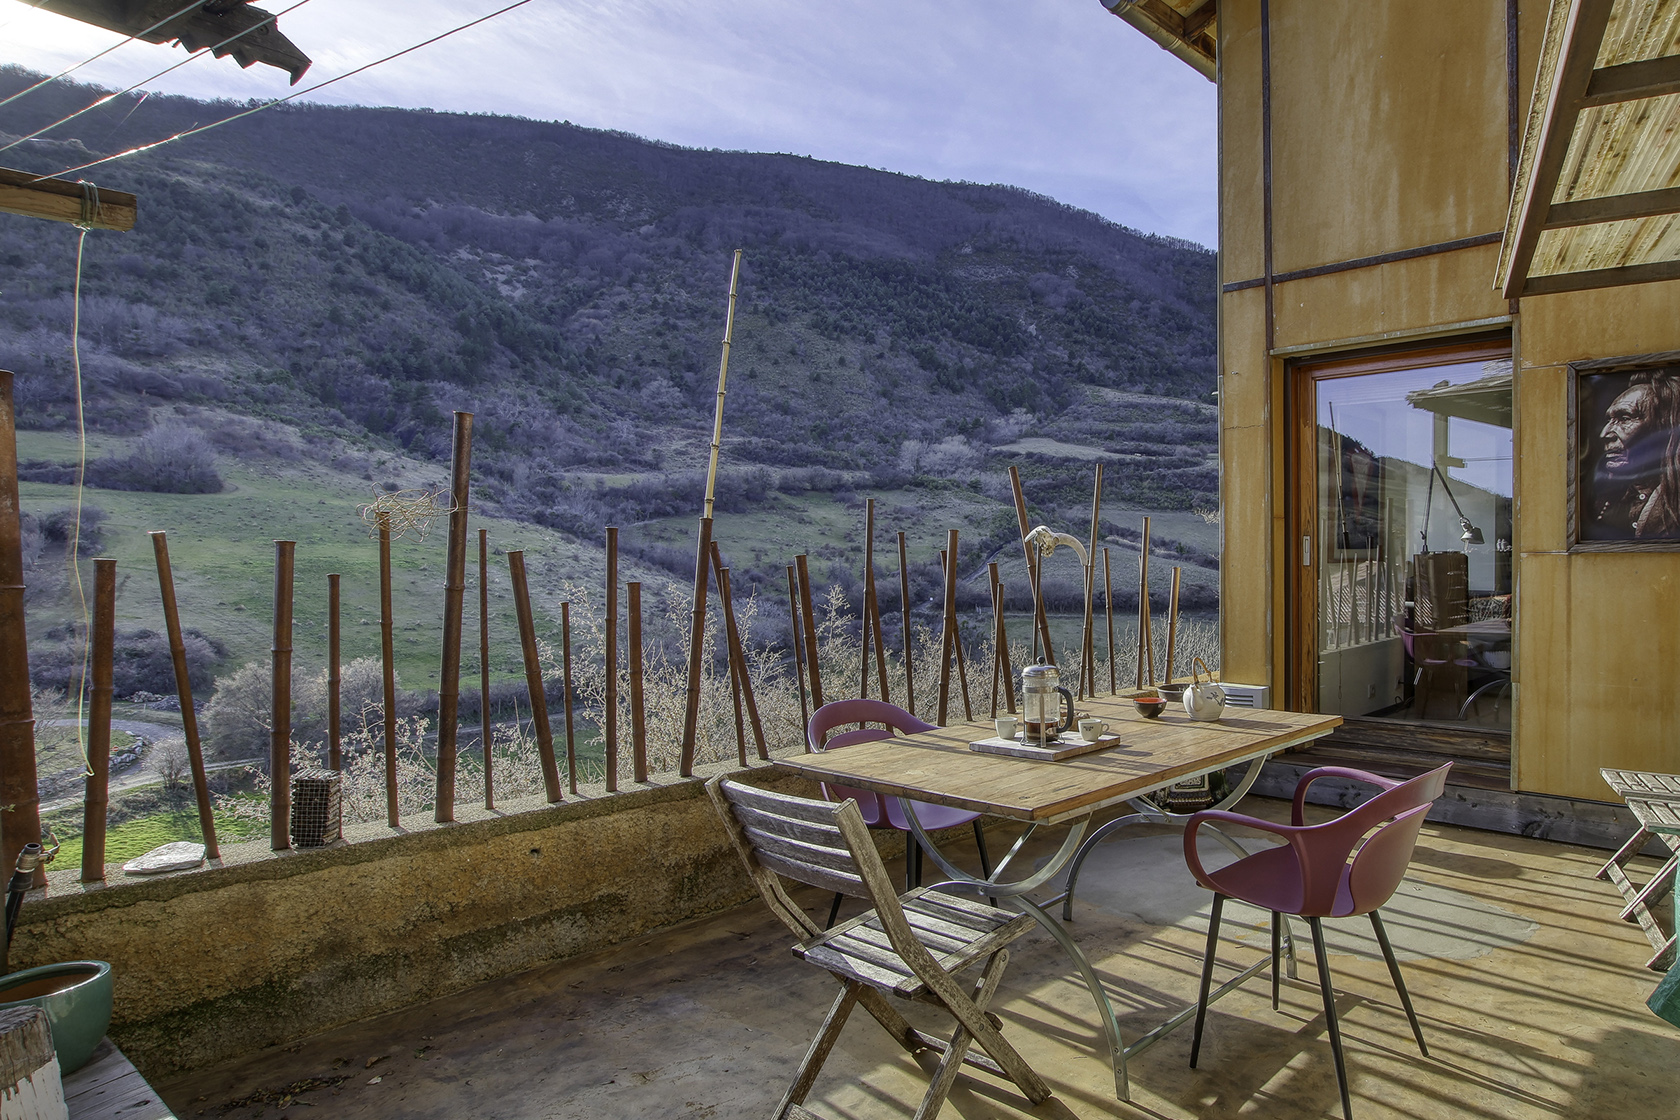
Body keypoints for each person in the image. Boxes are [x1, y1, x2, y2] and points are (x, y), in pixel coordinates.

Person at [1589, 371, 1680, 539]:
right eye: (1609, 420)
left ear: (1665, 427)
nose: (1605, 434)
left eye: (1624, 418)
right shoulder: (1610, 500)